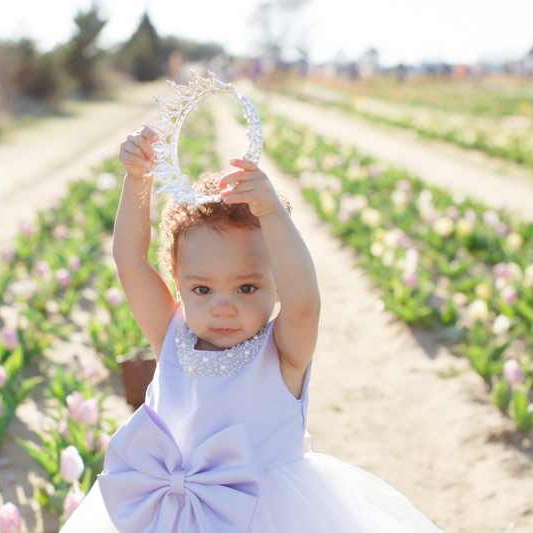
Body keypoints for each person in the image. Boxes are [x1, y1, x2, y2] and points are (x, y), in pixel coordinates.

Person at [62, 126, 444, 532]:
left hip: (269, 514)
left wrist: (272, 213)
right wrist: (137, 180)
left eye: (247, 287)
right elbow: (130, 261)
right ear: (177, 284)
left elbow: (304, 302)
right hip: (171, 514)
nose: (223, 307)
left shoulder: (282, 353)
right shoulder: (169, 333)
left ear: (276, 284)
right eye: (202, 289)